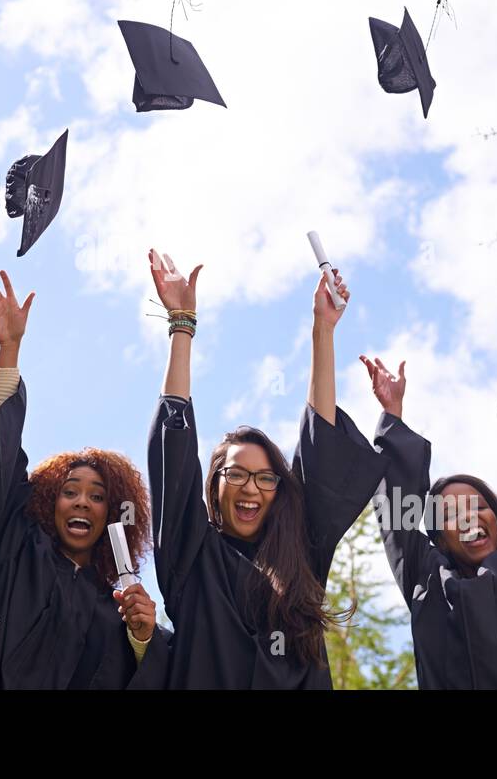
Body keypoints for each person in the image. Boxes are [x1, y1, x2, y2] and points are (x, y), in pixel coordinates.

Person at [146, 249, 387, 687]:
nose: (250, 488)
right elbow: (173, 449)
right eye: (235, 474)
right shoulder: (193, 557)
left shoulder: (301, 556)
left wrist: (323, 329)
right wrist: (181, 324)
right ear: (214, 487)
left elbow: (320, 444)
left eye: (265, 477)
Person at [0, 270, 168, 689]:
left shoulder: (118, 608)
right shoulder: (17, 552)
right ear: (46, 504)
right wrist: (9, 350)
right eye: (69, 492)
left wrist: (144, 638)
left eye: (96, 496)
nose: (81, 502)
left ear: (113, 515)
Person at [364, 302, 497, 688]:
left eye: (478, 506)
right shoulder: (429, 584)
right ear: (437, 536)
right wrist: (393, 415)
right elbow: (397, 519)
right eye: (450, 514)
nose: (468, 517)